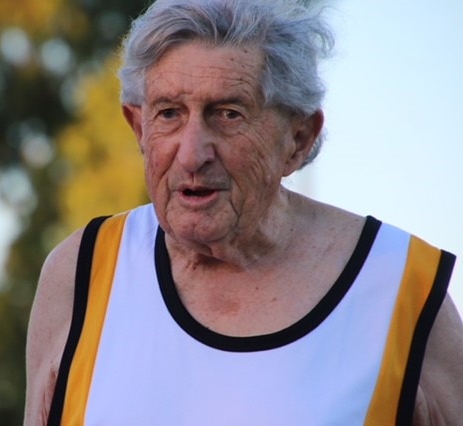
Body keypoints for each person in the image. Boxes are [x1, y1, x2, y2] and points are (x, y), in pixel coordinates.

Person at [24, 0, 463, 424]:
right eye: (169, 113)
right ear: (138, 127)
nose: (192, 153)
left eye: (228, 114)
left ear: (299, 138)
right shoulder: (82, 273)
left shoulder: (400, 288)